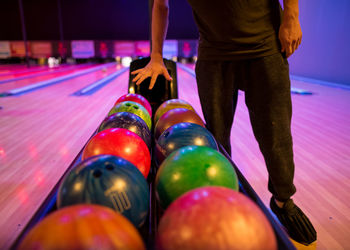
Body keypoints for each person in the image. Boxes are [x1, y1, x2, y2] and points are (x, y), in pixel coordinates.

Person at [132, 0, 317, 245]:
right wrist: (156, 56)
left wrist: (291, 17)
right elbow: (160, 5)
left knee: (276, 137)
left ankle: (283, 201)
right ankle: (222, 196)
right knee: (216, 141)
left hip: (266, 46)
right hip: (214, 55)